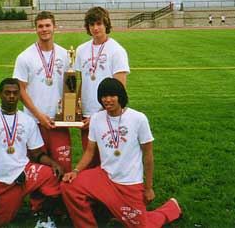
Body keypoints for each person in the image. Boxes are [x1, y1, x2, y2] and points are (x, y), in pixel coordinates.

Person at [61, 78, 182, 227]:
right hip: (104, 177)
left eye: (112, 95)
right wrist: (76, 170)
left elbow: (148, 155)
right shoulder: (97, 119)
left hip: (129, 183)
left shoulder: (138, 119)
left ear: (120, 96)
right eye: (104, 96)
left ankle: (170, 208)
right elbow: (90, 152)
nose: (108, 100)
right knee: (69, 186)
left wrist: (149, 188)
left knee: (142, 225)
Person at [0, 78, 64, 226]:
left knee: (52, 174)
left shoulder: (27, 121)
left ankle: (44, 214)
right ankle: (6, 199)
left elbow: (36, 153)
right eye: (7, 93)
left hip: (25, 173)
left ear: (19, 95)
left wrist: (53, 163)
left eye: (15, 93)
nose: (11, 96)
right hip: (2, 177)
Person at [13, 11, 72, 173]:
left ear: (55, 27)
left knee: (64, 165)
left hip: (59, 121)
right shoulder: (24, 57)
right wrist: (39, 116)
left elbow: (71, 88)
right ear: (35, 29)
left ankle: (62, 197)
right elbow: (20, 90)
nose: (44, 29)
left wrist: (71, 113)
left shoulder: (66, 55)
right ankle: (41, 198)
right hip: (34, 122)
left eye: (47, 25)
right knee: (39, 167)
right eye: (40, 26)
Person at [75, 6, 130, 168]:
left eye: (99, 23)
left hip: (109, 114)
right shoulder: (81, 50)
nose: (95, 28)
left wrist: (98, 115)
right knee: (90, 159)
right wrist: (76, 107)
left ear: (106, 24)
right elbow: (82, 82)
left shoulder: (117, 51)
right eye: (91, 24)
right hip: (86, 115)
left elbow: (120, 88)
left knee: (110, 159)